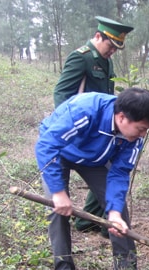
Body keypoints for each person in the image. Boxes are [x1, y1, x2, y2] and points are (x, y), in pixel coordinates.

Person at [36, 88, 149, 270]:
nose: (143, 135)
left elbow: (119, 172)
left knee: (119, 215)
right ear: (121, 118)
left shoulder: (133, 138)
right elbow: (46, 145)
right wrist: (59, 192)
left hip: (94, 160)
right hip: (59, 153)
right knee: (57, 211)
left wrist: (114, 213)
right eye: (141, 128)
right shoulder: (85, 111)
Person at [54, 16, 134, 235]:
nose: (113, 52)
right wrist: (70, 127)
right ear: (98, 36)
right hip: (78, 131)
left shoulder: (106, 61)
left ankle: (90, 220)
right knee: (61, 191)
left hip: (102, 131)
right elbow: (62, 93)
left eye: (117, 48)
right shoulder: (81, 58)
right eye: (110, 46)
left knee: (107, 174)